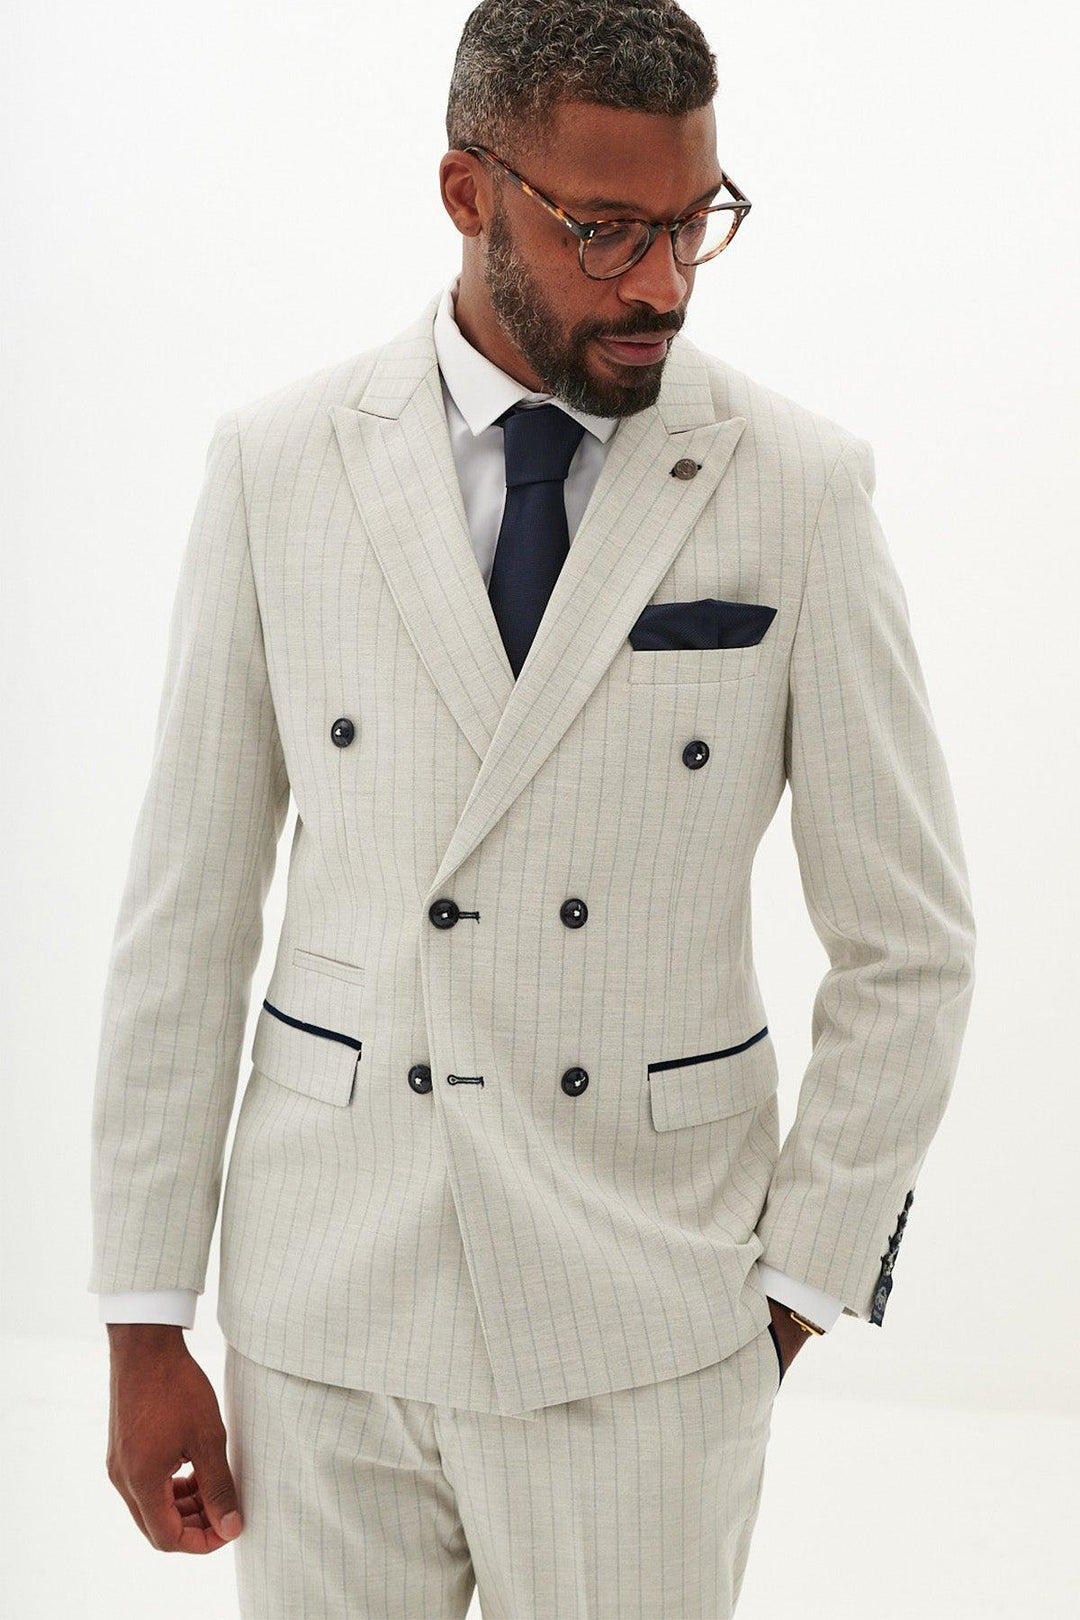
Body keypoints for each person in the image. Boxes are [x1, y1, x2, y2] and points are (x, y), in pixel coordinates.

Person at [89, 2, 977, 1614]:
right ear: (466, 192)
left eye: (696, 221)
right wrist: (145, 1321)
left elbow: (908, 945)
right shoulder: (278, 466)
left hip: (646, 1317)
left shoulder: (796, 486)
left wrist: (793, 1288)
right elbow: (185, 917)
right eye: (607, 230)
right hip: (327, 1309)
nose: (663, 283)